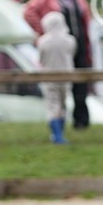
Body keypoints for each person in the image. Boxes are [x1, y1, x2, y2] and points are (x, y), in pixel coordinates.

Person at [25, 0, 94, 128]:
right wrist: (43, 32)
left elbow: (86, 16)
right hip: (60, 48)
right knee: (59, 85)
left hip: (79, 43)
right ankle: (60, 119)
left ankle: (81, 119)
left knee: (81, 79)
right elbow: (29, 12)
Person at [38, 11, 76, 144]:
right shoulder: (70, 40)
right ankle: (60, 134)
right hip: (66, 76)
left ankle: (57, 135)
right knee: (63, 104)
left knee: (53, 105)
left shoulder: (43, 41)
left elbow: (41, 59)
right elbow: (72, 54)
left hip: (49, 77)